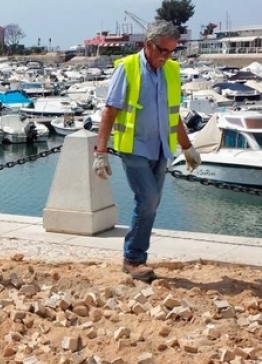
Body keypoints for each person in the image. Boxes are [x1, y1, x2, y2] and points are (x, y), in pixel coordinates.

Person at [93, 20, 201, 283]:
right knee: (148, 200)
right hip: (134, 147)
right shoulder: (128, 68)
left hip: (162, 147)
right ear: (148, 44)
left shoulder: (171, 70)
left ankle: (136, 257)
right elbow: (110, 110)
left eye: (171, 51)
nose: (166, 57)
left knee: (151, 204)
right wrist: (100, 152)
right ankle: (133, 258)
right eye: (162, 50)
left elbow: (173, 115)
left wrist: (187, 147)